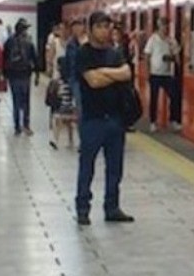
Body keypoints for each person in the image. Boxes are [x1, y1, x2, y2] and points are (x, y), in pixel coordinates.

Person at [75, 12, 136, 226]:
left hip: (115, 120)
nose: (105, 30)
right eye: (100, 26)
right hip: (92, 120)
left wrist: (103, 72)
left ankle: (112, 207)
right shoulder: (82, 54)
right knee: (87, 166)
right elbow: (93, 81)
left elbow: (127, 73)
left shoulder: (116, 52)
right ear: (91, 29)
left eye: (107, 26)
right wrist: (114, 74)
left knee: (115, 167)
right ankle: (83, 208)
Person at [144, 18, 183, 133]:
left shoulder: (171, 40)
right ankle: (152, 122)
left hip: (167, 74)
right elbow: (147, 56)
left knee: (174, 96)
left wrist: (178, 66)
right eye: (163, 26)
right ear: (159, 26)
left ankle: (173, 120)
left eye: (166, 26)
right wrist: (148, 72)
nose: (165, 28)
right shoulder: (153, 39)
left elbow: (176, 56)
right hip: (155, 73)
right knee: (154, 98)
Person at [2, 18, 39, 136]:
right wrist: (37, 74)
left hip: (13, 76)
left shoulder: (9, 41)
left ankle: (17, 127)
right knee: (26, 102)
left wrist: (4, 75)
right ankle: (26, 126)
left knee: (16, 102)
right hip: (25, 75)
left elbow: (4, 59)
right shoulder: (29, 42)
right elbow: (35, 59)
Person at [49, 56, 78, 151]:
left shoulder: (60, 82)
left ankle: (55, 140)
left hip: (63, 107)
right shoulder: (71, 81)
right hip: (71, 107)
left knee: (58, 122)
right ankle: (71, 141)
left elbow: (59, 94)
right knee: (70, 124)